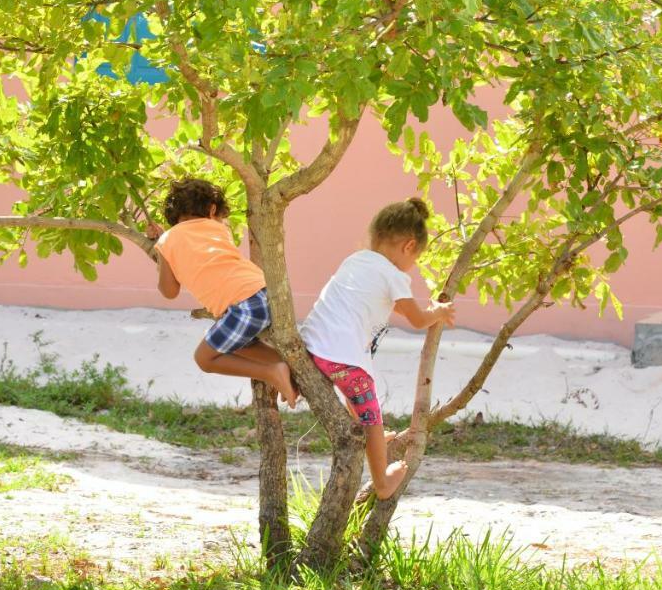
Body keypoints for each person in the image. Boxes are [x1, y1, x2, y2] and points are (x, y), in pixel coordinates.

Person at [301, 198, 456, 500]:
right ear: (410, 246)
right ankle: (383, 481)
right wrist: (438, 312)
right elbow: (416, 318)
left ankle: (376, 445)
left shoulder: (356, 260)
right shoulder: (394, 275)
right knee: (371, 415)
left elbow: (376, 302)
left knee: (354, 397)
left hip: (314, 346)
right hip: (344, 359)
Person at [148, 178, 298, 406]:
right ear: (212, 209)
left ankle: (272, 372)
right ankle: (290, 370)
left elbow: (169, 291)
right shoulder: (219, 229)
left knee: (204, 358)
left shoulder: (168, 240)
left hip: (245, 305)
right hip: (265, 294)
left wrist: (160, 249)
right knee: (240, 344)